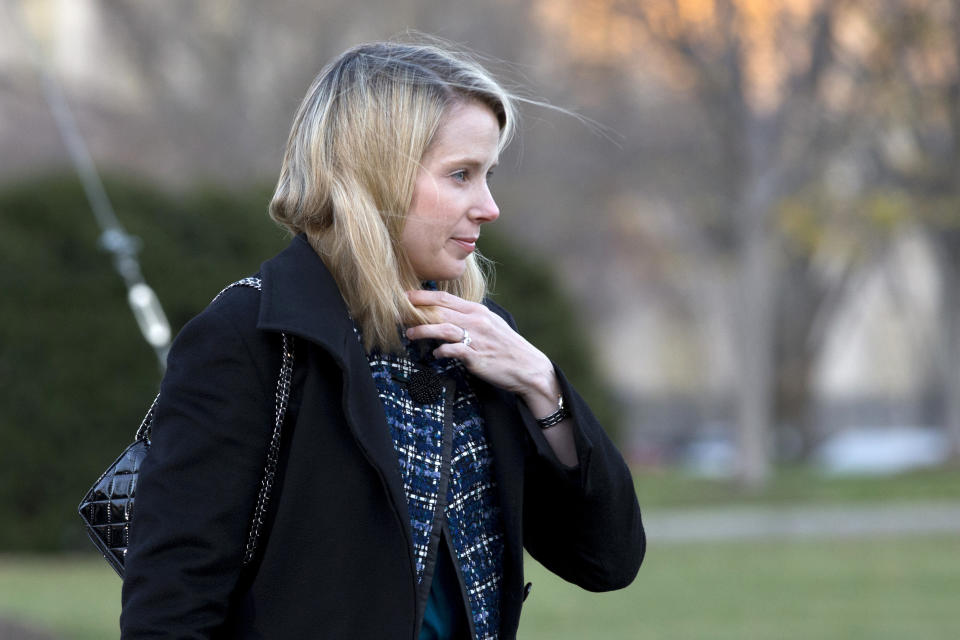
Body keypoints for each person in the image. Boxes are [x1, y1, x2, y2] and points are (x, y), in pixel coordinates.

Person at [120, 40, 644, 639]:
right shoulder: (250, 337)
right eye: (460, 175)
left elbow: (608, 559)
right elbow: (170, 609)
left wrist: (541, 384)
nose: (489, 207)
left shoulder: (478, 337)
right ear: (379, 176)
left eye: (487, 174)